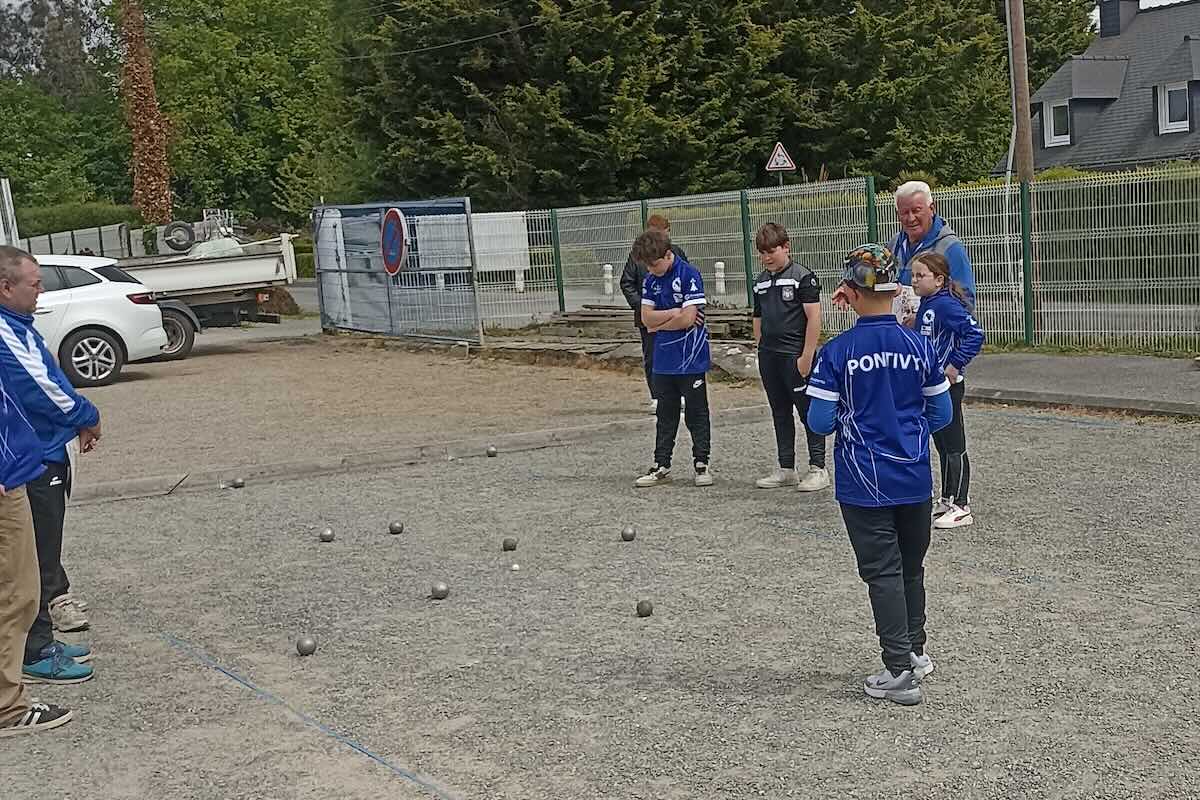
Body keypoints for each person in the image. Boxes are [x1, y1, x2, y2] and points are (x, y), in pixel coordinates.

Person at [805, 243, 952, 706]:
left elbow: (819, 422)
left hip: (863, 481)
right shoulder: (920, 345)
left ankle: (898, 670)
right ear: (895, 290)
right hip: (914, 477)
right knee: (911, 567)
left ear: (848, 292)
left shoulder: (837, 352)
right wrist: (905, 429)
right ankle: (916, 651)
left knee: (882, 573)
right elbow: (942, 413)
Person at [0, 246, 98, 685]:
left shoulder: (21, 326)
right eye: (34, 284)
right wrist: (86, 415)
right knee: (36, 556)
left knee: (43, 551)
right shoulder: (5, 332)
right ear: (6, 288)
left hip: (46, 450)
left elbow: (50, 373)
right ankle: (35, 650)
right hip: (31, 458)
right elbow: (40, 388)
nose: (41, 292)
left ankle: (36, 642)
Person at [0, 348, 74, 736]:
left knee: (21, 589)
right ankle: (7, 707)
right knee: (16, 591)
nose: (40, 292)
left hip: (18, 467)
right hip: (8, 477)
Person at [631, 228, 713, 488]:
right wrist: (673, 314)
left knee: (696, 412)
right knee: (665, 414)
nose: (651, 270)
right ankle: (661, 464)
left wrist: (661, 322)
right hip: (663, 358)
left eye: (654, 264)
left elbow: (689, 319)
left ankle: (701, 463)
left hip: (691, 357)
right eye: (647, 266)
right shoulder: (650, 280)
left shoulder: (689, 274)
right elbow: (646, 318)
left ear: (668, 255)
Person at [750, 222, 829, 492]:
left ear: (786, 247)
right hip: (769, 355)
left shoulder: (803, 277)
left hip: (795, 354)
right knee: (779, 411)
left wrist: (807, 355)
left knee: (807, 411)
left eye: (772, 250)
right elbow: (757, 316)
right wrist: (760, 346)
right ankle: (786, 468)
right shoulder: (760, 281)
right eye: (762, 252)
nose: (767, 257)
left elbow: (814, 317)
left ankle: (818, 468)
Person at [909, 252, 985, 530]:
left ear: (939, 279)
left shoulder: (945, 305)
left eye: (921, 275)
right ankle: (947, 497)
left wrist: (954, 365)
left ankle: (962, 505)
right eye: (913, 275)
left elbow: (974, 334)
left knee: (954, 445)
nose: (915, 281)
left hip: (947, 385)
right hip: (931, 385)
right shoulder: (928, 304)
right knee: (941, 443)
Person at [619, 215, 689, 414]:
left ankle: (681, 394)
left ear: (668, 231)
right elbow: (627, 282)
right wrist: (643, 307)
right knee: (653, 356)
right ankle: (657, 396)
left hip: (674, 316)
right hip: (649, 317)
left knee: (678, 352)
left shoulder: (677, 253)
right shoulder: (637, 255)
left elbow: (686, 279)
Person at [889, 181, 977, 323]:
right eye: (904, 212)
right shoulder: (893, 245)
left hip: (936, 341)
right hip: (901, 340)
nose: (911, 218)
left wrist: (923, 319)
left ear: (932, 208)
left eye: (916, 210)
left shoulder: (950, 248)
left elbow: (966, 302)